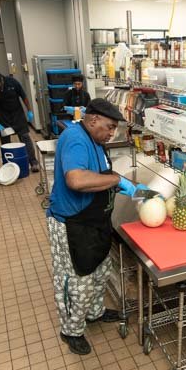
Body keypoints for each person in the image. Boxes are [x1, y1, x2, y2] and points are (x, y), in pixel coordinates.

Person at [46, 98, 147, 356]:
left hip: (95, 221)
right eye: (109, 127)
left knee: (100, 272)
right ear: (92, 120)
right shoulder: (76, 138)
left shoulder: (97, 141)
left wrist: (124, 186)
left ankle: (94, 313)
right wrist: (116, 179)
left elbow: (99, 177)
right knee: (77, 283)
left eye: (115, 128)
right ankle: (71, 331)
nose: (112, 133)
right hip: (72, 224)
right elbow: (76, 179)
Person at [0, 70, 39, 172]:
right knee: (5, 142)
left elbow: (24, 96)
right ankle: (8, 165)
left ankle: (33, 162)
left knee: (25, 137)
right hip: (3, 118)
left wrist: (29, 111)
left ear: (2, 78)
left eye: (0, 83)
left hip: (17, 114)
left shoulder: (12, 82)